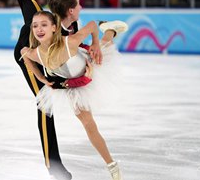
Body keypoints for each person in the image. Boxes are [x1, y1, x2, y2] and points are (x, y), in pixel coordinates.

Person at [0, 0, 95, 179]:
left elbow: (75, 50)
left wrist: (92, 54)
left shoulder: (70, 28)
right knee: (45, 104)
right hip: (27, 56)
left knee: (52, 94)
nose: (80, 7)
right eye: (78, 4)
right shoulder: (39, 18)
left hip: (48, 58)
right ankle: (53, 166)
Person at [20, 11, 127, 180]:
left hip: (91, 65)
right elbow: (24, 54)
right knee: (88, 124)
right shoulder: (36, 53)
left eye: (44, 25)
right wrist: (41, 78)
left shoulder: (69, 43)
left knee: (106, 47)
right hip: (74, 86)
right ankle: (112, 165)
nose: (39, 29)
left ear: (54, 27)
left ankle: (109, 30)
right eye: (35, 25)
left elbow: (92, 25)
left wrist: (96, 44)